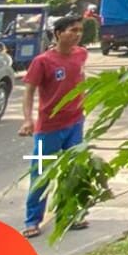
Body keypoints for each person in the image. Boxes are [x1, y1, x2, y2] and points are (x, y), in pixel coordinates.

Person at [19, 14, 91, 238]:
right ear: (58, 33)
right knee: (41, 173)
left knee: (73, 172)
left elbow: (80, 76)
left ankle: (70, 215)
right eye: (72, 30)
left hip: (75, 123)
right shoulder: (42, 61)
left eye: (80, 30)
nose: (77, 35)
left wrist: (84, 97)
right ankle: (32, 220)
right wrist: (27, 119)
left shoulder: (82, 54)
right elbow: (29, 91)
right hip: (48, 128)